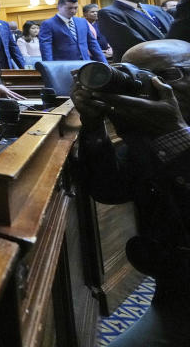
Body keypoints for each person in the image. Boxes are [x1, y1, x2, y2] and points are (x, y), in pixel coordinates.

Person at [71, 39, 190, 346]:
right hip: (176, 300)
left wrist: (175, 134)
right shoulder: (147, 129)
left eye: (165, 75)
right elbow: (110, 190)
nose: (149, 85)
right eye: (137, 75)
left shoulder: (164, 125)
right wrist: (94, 126)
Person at [99, 0, 174, 62]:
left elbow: (177, 31)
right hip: (141, 66)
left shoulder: (156, 9)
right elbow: (134, 44)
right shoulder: (109, 13)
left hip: (175, 61)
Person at [39, 0, 108, 63]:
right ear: (59, 7)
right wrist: (50, 68)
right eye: (69, 8)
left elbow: (93, 44)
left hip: (85, 64)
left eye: (76, 8)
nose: (73, 11)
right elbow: (46, 49)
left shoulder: (82, 22)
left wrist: (105, 63)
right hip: (63, 66)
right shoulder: (48, 24)